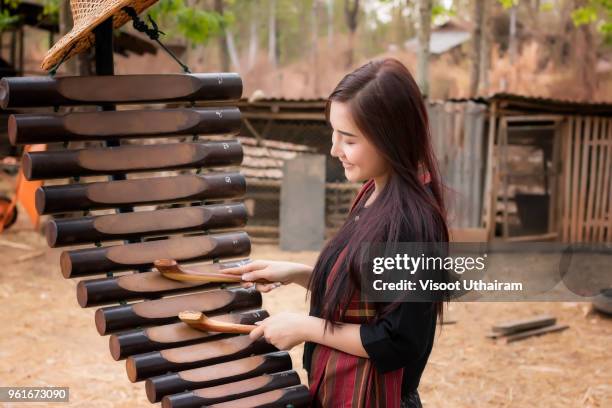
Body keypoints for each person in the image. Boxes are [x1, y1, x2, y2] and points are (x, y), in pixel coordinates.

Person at [223, 58, 449, 407]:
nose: (334, 149)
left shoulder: (411, 222)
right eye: (334, 132)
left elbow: (400, 339)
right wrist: (297, 273)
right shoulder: (373, 193)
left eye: (349, 139)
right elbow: (370, 296)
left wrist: (305, 328)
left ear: (391, 138)